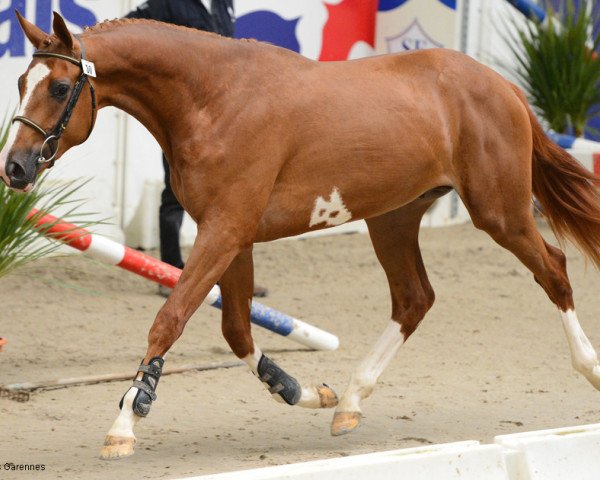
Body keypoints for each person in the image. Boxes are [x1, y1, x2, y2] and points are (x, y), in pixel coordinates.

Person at [125, 0, 267, 298]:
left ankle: (233, 279)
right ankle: (170, 273)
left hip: (227, 114)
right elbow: (130, 26)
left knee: (236, 198)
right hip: (186, 118)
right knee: (174, 194)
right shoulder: (167, 3)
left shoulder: (224, 3)